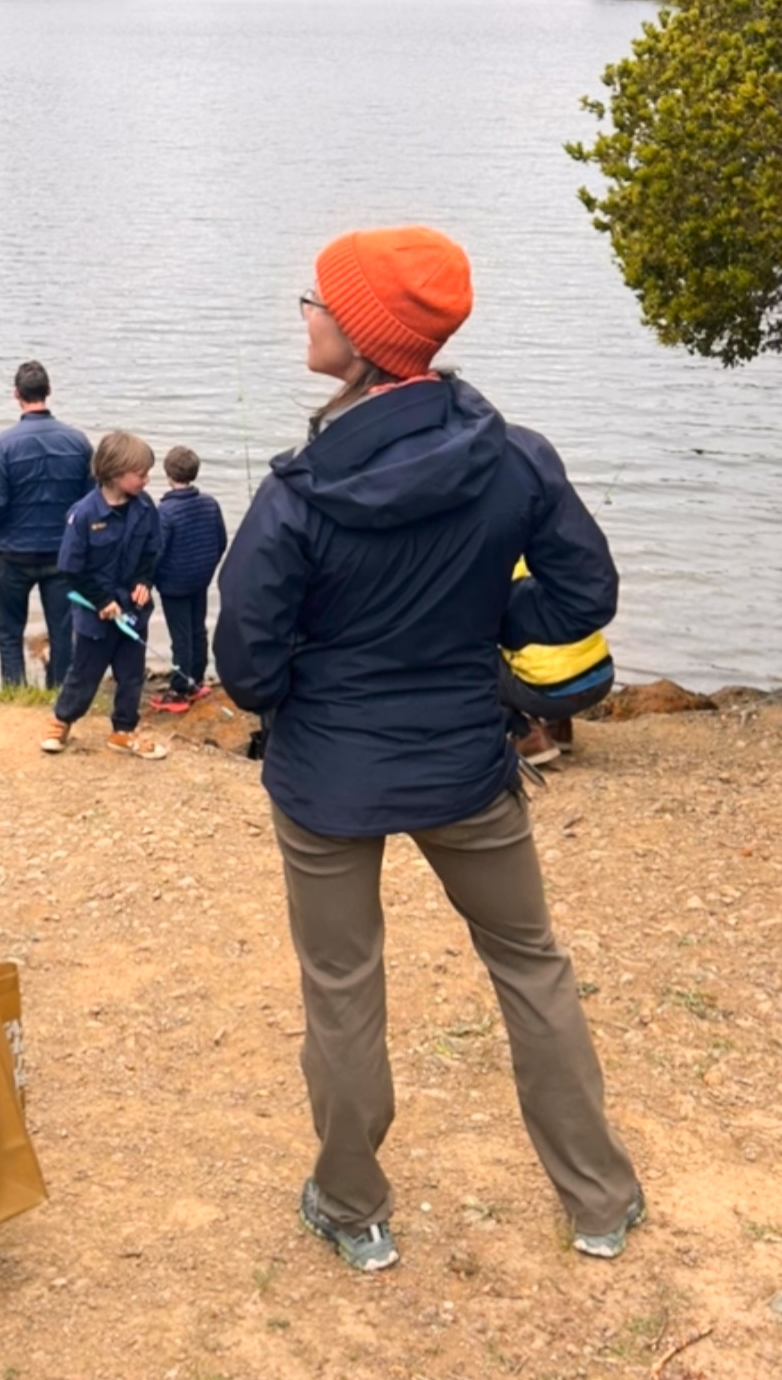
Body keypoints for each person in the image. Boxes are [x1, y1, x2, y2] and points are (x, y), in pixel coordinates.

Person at [214, 225, 644, 1271]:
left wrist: (313, 688)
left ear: (362, 338)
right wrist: (488, 632)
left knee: (343, 986)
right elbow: (585, 592)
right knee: (531, 966)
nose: (304, 313)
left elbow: (248, 667)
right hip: (465, 760)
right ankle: (598, 1202)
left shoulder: (297, 493)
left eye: (318, 300)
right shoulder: (514, 456)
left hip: (329, 775)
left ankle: (354, 1210)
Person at [40, 431, 166, 759]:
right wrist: (101, 601)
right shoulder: (83, 514)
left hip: (132, 613)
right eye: (140, 474)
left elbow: (151, 551)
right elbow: (71, 568)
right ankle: (61, 720)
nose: (146, 480)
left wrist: (144, 581)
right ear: (115, 473)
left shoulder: (145, 506)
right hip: (95, 616)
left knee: (131, 675)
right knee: (84, 673)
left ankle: (123, 731)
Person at [0, 361, 94, 687]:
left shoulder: (2, 446)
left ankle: (15, 693)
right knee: (63, 631)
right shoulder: (78, 443)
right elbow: (91, 505)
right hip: (62, 554)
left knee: (10, 632)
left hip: (14, 554)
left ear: (16, 394)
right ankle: (60, 693)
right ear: (48, 391)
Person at [500, 558, 615, 764]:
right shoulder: (539, 558)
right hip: (602, 677)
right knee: (549, 636)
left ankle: (525, 734)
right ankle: (559, 728)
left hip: (553, 694)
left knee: (467, 659)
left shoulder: (485, 579)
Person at [150, 444, 228, 712]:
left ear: (168, 474)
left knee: (181, 637)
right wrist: (208, 567)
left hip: (174, 585)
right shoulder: (210, 504)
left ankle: (179, 691)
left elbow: (157, 552)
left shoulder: (165, 512)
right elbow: (221, 541)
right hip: (200, 579)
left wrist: (149, 579)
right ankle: (195, 679)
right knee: (197, 630)